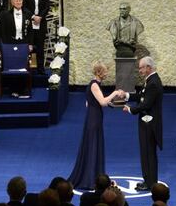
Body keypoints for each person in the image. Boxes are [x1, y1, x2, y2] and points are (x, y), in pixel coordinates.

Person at [68, 61, 122, 189]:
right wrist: (115, 93)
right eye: (105, 71)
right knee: (93, 145)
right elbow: (102, 102)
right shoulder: (94, 85)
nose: (107, 73)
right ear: (99, 72)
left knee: (93, 144)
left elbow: (90, 102)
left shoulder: (94, 84)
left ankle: (94, 176)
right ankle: (90, 179)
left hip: (93, 117)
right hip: (94, 119)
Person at [123, 56, 163, 191]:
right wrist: (126, 96)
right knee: (146, 153)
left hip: (150, 125)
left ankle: (151, 183)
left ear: (148, 68)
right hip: (146, 123)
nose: (139, 70)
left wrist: (130, 109)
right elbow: (141, 95)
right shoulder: (150, 80)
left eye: (141, 68)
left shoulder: (153, 83)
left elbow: (146, 104)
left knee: (149, 154)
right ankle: (148, 181)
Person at [20, 0, 50, 75]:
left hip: (41, 22)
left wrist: (40, 17)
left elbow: (47, 7)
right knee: (30, 46)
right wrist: (33, 16)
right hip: (30, 22)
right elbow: (24, 7)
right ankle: (30, 68)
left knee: (40, 47)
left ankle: (40, 68)